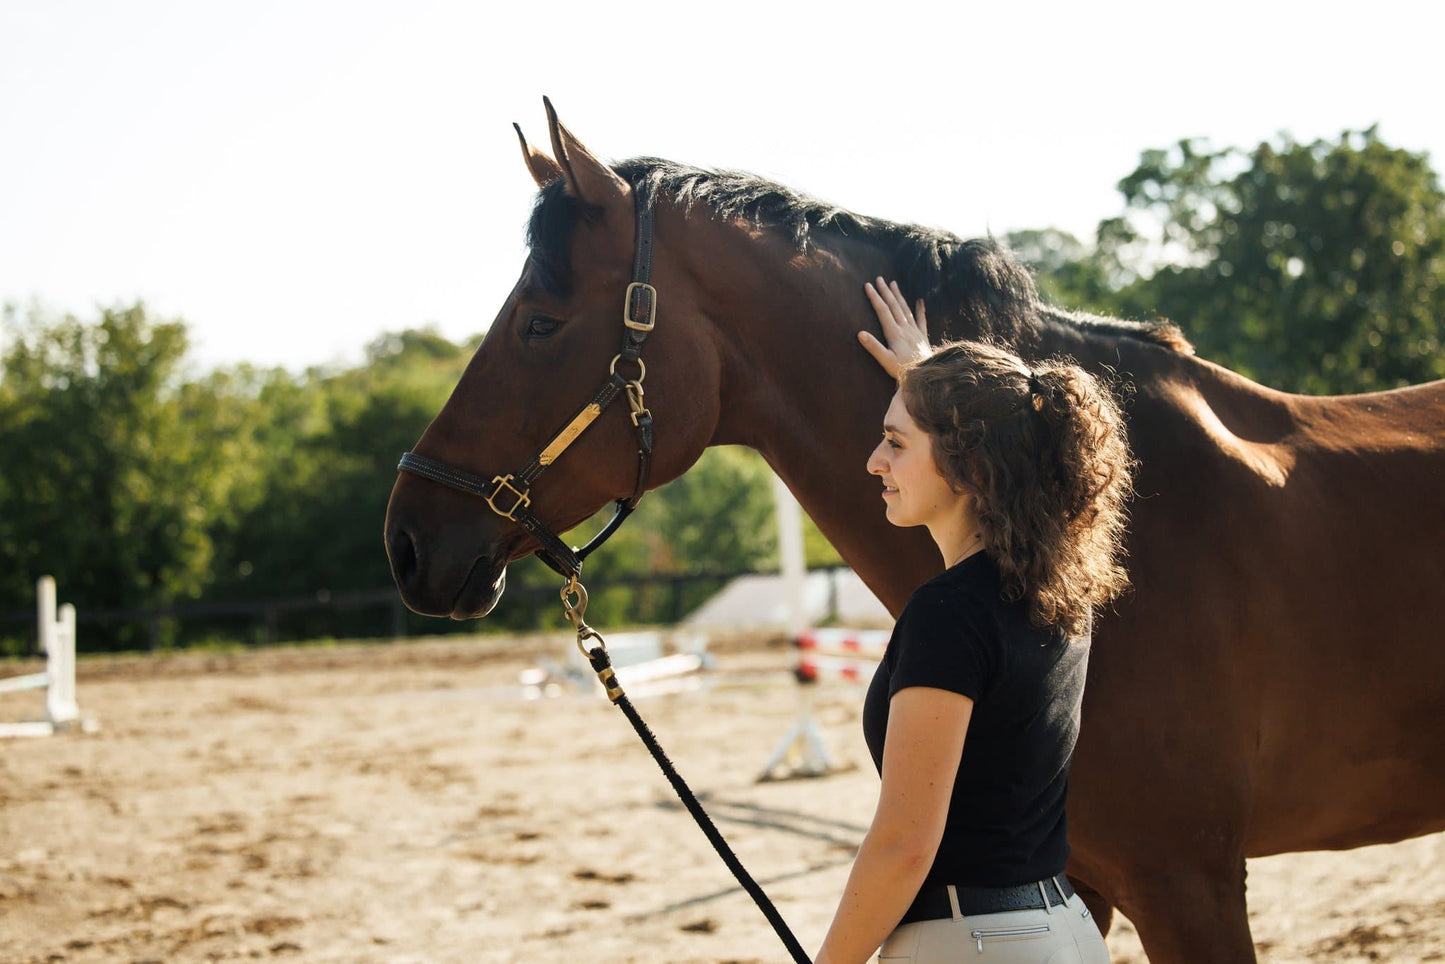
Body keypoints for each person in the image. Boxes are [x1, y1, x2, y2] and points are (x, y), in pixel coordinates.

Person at [813, 279, 1132, 963]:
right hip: (1064, 934)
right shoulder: (1057, 587)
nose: (874, 462)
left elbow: (903, 846)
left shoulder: (948, 614)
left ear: (967, 463)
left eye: (894, 443)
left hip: (975, 945)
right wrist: (928, 380)